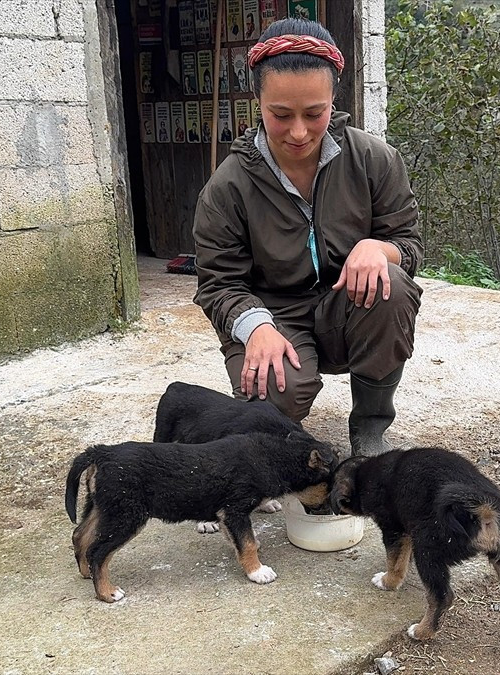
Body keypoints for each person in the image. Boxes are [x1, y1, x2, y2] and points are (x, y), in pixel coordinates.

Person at [192, 18, 423, 456]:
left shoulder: (375, 160)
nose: (298, 132)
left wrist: (381, 248)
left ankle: (370, 429)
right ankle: (275, 434)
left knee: (391, 286)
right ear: (257, 101)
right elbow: (219, 284)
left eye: (314, 113)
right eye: (280, 115)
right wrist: (254, 326)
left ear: (333, 99)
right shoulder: (227, 187)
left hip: (348, 307)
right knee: (273, 394)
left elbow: (409, 244)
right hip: (275, 316)